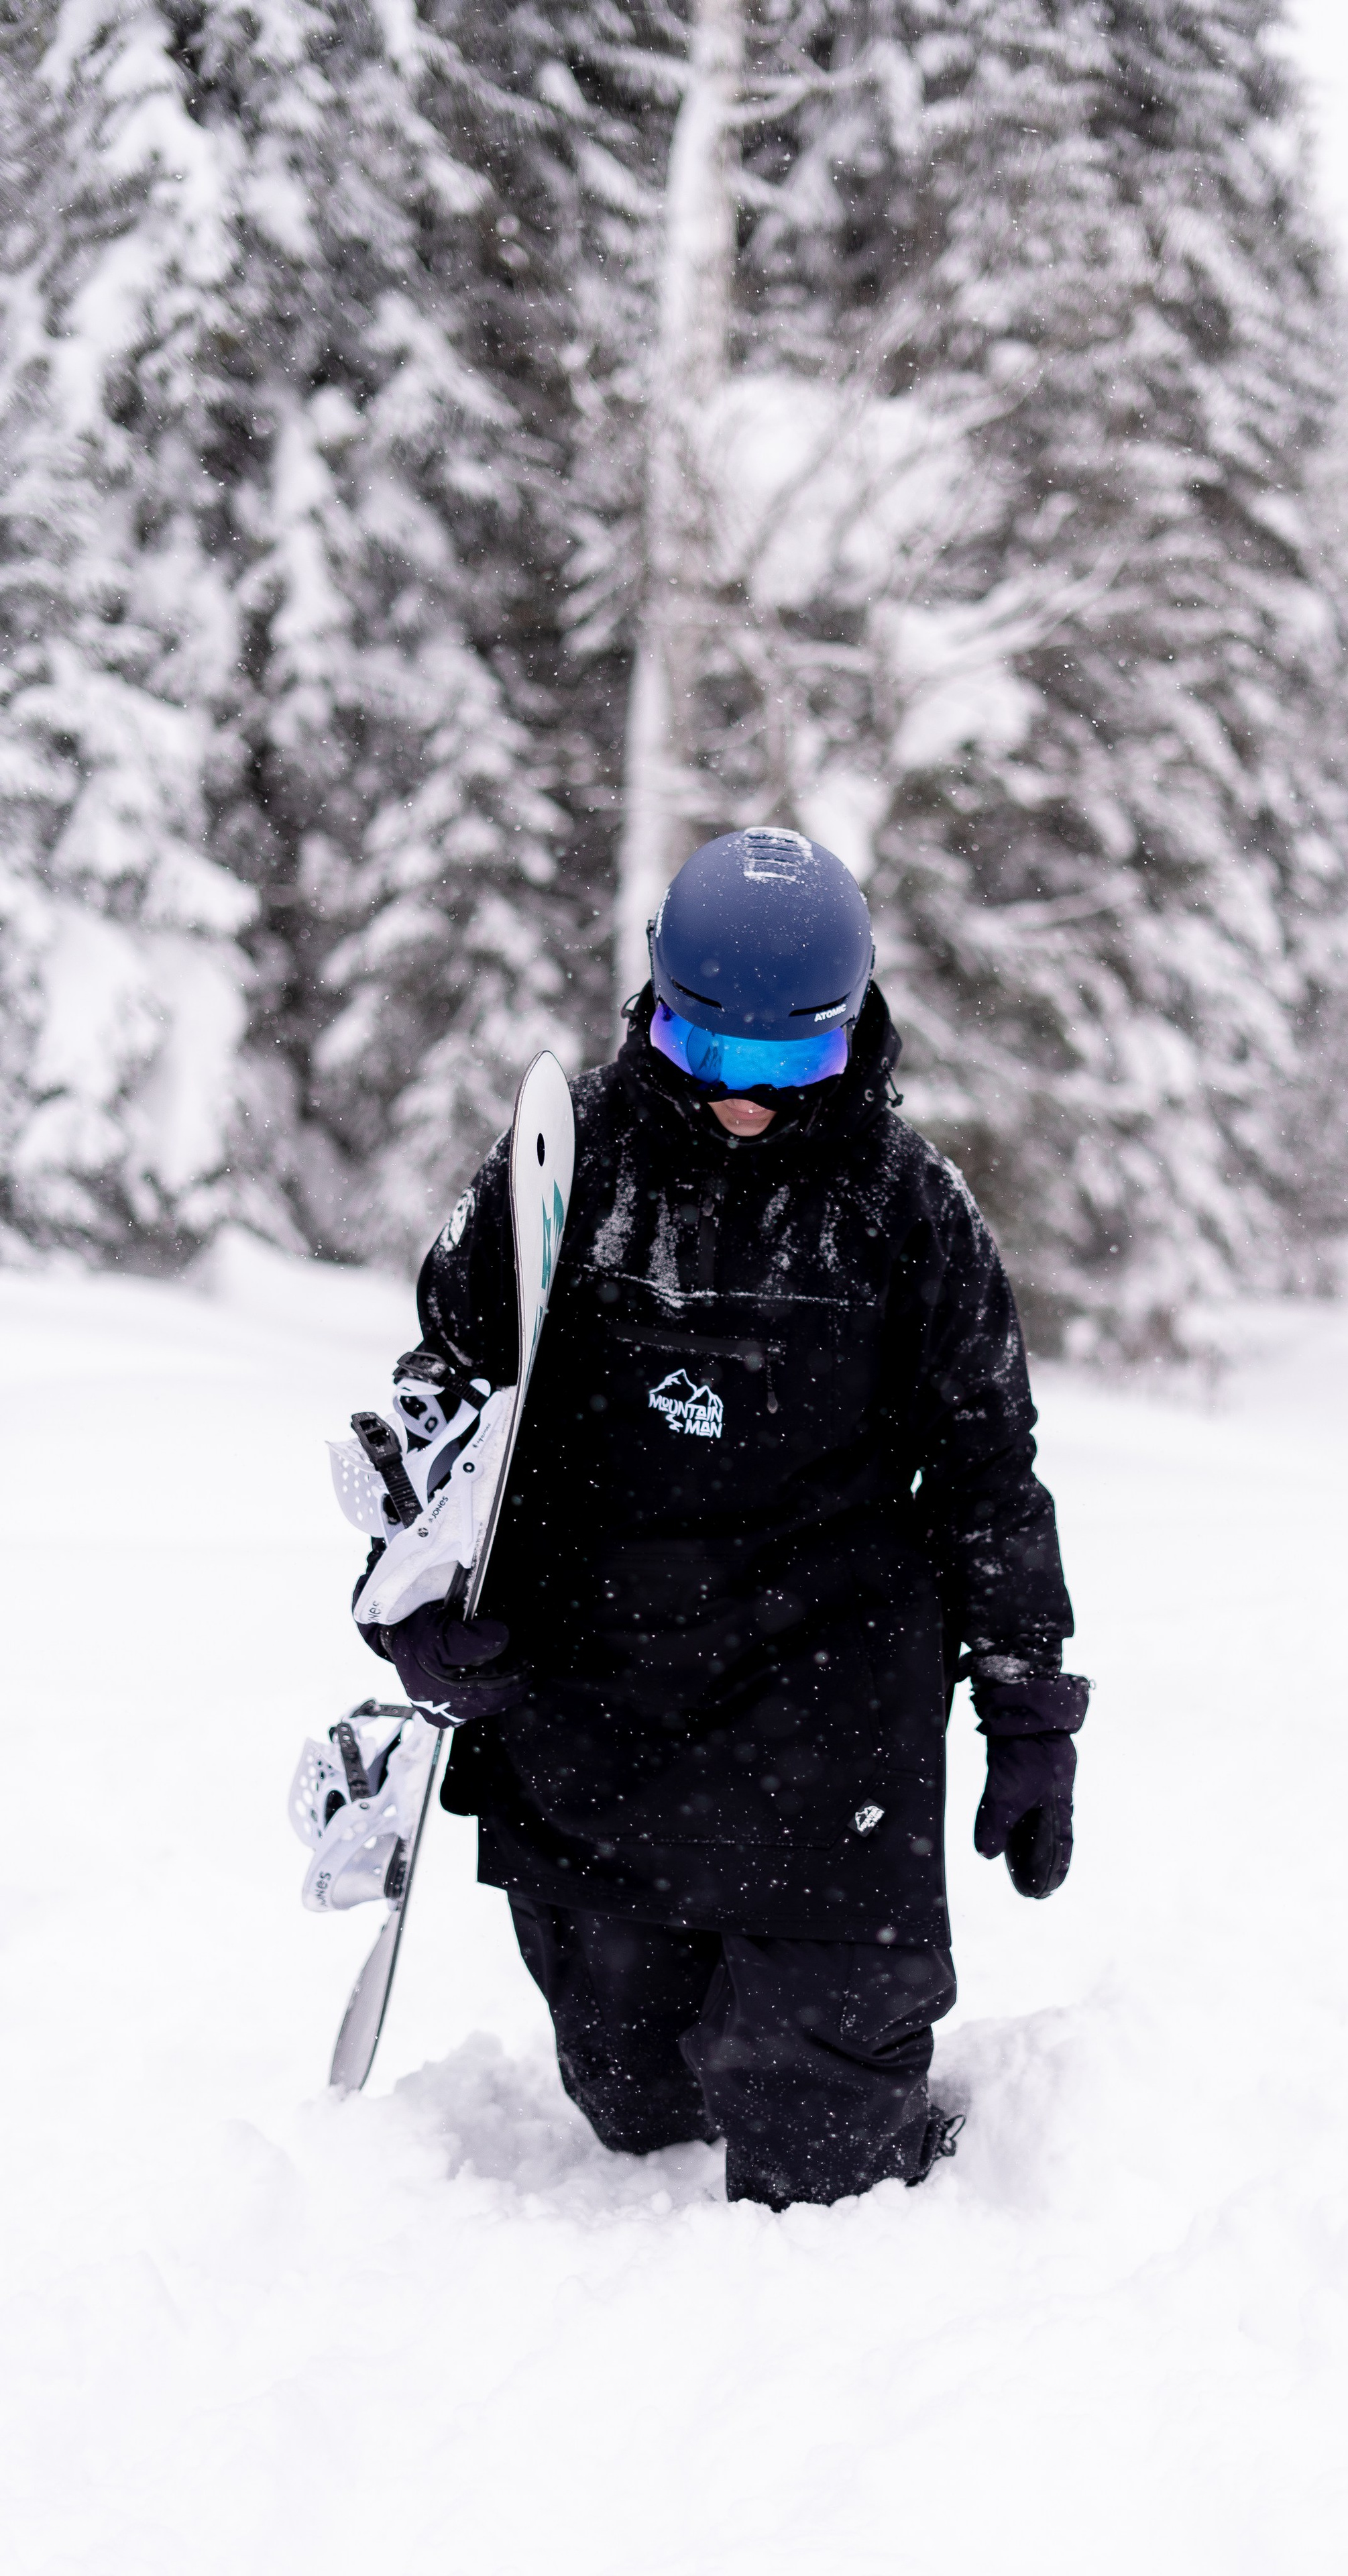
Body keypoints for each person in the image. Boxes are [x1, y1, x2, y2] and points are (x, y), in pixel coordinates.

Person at [363, 826, 1087, 2208]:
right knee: (638, 2108)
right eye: (710, 1056)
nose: (746, 1101)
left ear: (850, 1029)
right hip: (598, 1691)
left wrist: (1029, 1708)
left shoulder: (909, 1210)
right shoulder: (561, 1174)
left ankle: (890, 2147)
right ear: (655, 1004)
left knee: (824, 2156)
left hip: (832, 1704)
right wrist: (410, 1606)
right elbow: (442, 1404)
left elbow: (990, 1472)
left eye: (788, 1066)